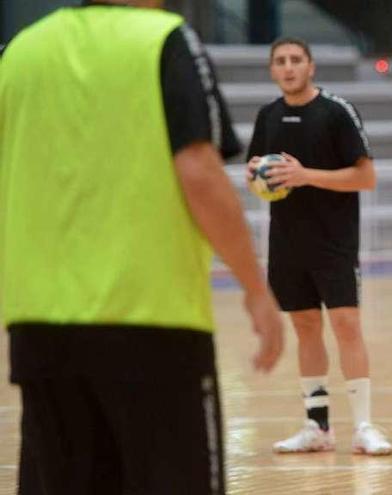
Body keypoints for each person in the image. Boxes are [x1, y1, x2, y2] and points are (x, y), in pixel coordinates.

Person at [0, 1, 285, 494]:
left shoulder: (23, 50)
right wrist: (255, 288)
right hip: (152, 324)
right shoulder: (166, 40)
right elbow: (198, 168)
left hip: (39, 329)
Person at [247, 38, 392, 456]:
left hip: (335, 243)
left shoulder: (336, 112)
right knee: (305, 328)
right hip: (287, 243)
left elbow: (366, 178)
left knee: (346, 325)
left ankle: (364, 426)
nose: (288, 67)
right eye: (280, 61)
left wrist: (304, 175)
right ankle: (317, 426)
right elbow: (256, 171)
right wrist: (257, 174)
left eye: (296, 60)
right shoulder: (268, 115)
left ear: (310, 66)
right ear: (272, 70)